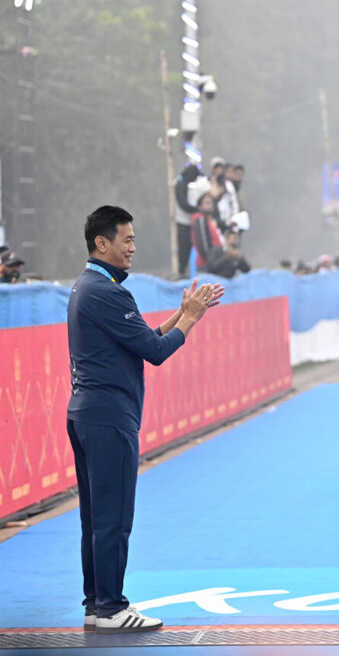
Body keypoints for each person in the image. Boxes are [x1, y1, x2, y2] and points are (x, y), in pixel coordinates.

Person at [67, 205, 223, 634]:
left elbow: (143, 339)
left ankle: (97, 605)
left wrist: (182, 314)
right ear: (102, 243)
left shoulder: (88, 286)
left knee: (95, 519)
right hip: (108, 418)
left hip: (86, 414)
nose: (133, 247)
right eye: (127, 239)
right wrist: (191, 320)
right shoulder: (107, 293)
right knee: (112, 520)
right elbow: (155, 352)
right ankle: (112, 608)